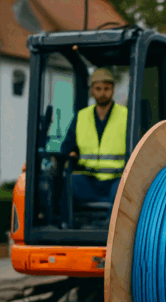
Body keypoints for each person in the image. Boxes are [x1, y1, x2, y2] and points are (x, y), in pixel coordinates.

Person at [60, 68, 127, 209]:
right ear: (91, 90)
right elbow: (67, 146)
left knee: (122, 191)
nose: (102, 92)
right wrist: (71, 153)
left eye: (106, 88)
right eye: (98, 88)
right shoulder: (81, 117)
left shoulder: (126, 116)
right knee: (68, 183)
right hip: (88, 179)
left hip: (117, 179)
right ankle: (69, 228)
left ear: (113, 90)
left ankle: (110, 228)